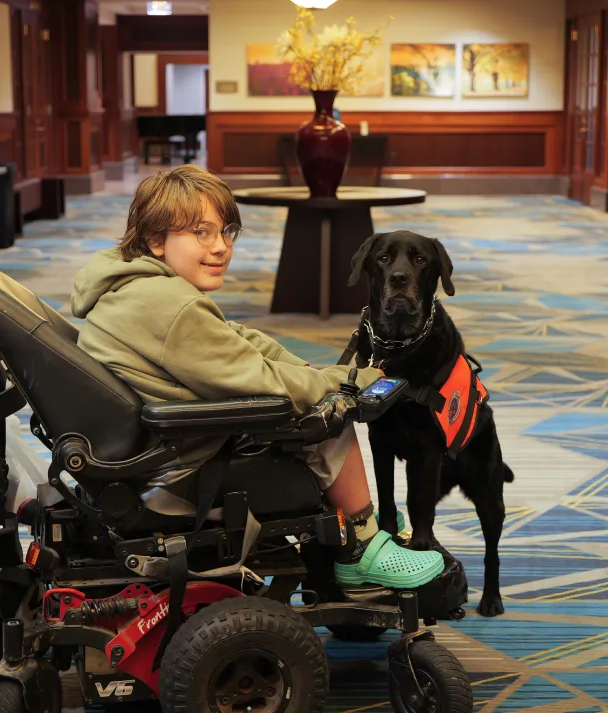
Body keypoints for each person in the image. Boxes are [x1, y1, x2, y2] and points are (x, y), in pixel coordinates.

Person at [71, 164, 444, 589]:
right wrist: (345, 385)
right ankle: (360, 547)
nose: (220, 247)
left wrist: (310, 370)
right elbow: (260, 382)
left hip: (144, 455)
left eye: (226, 232)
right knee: (328, 421)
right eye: (201, 233)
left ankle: (345, 542)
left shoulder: (135, 287)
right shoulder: (174, 309)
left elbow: (236, 339)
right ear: (156, 240)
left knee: (312, 392)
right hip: (177, 472)